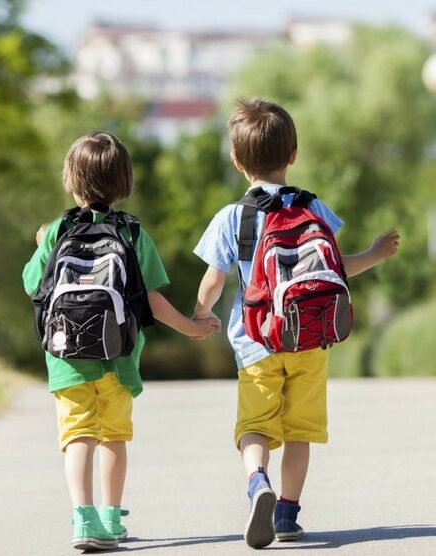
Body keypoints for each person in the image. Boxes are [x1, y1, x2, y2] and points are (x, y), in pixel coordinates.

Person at [192, 98, 400, 549]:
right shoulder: (313, 207)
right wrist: (375, 253)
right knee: (300, 431)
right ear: (293, 155)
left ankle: (257, 482)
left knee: (255, 427)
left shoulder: (233, 217)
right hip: (309, 337)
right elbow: (337, 268)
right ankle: (287, 514)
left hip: (256, 343)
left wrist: (201, 313)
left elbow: (213, 280)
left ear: (236, 161)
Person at [23, 131, 220, 552]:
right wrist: (191, 327)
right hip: (119, 358)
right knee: (113, 436)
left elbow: (31, 284)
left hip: (67, 359)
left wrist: (42, 245)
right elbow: (151, 299)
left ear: (70, 179)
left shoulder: (58, 230)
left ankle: (83, 519)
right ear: (124, 182)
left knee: (78, 436)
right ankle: (111, 519)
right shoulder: (132, 233)